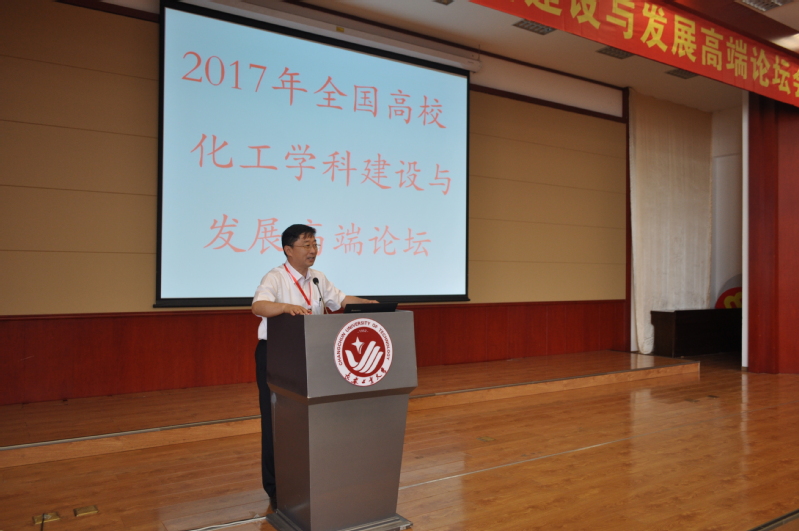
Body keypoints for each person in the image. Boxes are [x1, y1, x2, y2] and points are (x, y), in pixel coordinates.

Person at [251, 223, 377, 511]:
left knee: (310, 420)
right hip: (277, 356)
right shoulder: (275, 277)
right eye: (306, 245)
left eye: (315, 245)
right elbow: (258, 306)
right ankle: (277, 488)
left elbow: (341, 300)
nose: (313, 250)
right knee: (276, 422)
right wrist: (285, 307)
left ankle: (309, 480)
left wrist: (368, 303)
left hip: (312, 354)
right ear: (288, 250)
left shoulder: (318, 278)